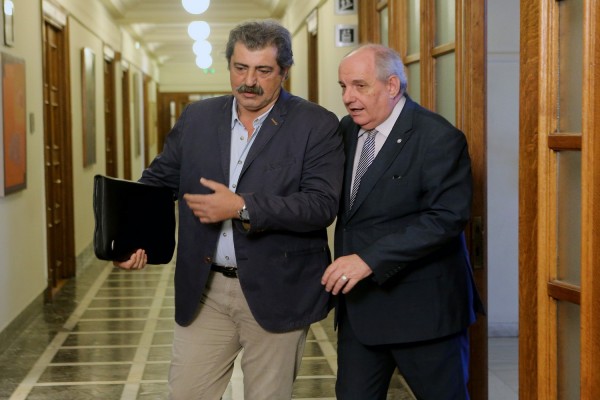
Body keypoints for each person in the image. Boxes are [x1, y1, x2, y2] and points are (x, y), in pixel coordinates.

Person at [116, 20, 344, 400]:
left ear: (284, 71)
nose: (249, 81)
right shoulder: (197, 118)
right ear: (229, 66)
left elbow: (320, 205)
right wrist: (129, 240)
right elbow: (157, 184)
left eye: (263, 70)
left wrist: (241, 206)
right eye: (240, 68)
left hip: (278, 290)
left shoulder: (315, 124)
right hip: (205, 290)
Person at [321, 44, 484, 400]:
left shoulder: (438, 137)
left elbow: (446, 219)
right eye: (343, 87)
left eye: (359, 86)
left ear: (392, 85)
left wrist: (369, 259)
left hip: (423, 314)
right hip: (360, 314)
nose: (348, 98)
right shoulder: (346, 130)